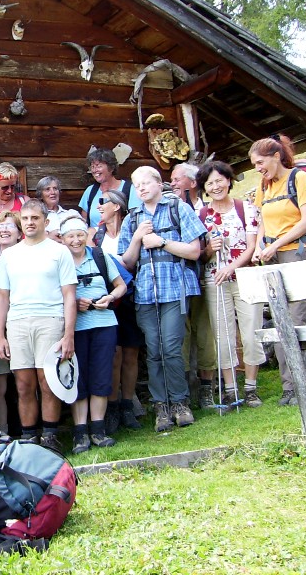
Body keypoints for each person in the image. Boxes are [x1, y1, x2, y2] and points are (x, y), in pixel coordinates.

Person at [119, 166, 206, 432]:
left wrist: (161, 242)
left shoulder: (179, 209)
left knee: (170, 348)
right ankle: (161, 407)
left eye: (146, 183)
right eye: (137, 185)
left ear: (159, 184)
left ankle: (180, 403)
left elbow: (194, 251)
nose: (142, 188)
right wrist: (137, 238)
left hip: (175, 289)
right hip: (146, 293)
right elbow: (127, 262)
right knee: (154, 351)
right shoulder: (132, 219)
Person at [0, 199, 77, 453]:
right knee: (23, 384)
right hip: (18, 322)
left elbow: (69, 295)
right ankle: (30, 437)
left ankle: (50, 437)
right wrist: (0, 335)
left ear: (45, 221)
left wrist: (69, 335)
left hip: (50, 320)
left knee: (48, 381)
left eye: (35, 218)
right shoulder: (9, 255)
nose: (30, 223)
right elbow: (3, 296)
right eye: (26, 218)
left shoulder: (59, 251)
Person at [249, 135, 306, 407]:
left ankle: (304, 385)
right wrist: (258, 247)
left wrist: (276, 243)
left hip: (297, 254)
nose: (257, 168)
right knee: (280, 322)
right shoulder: (263, 186)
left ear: (276, 156)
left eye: (260, 162)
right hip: (273, 257)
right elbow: (262, 219)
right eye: (254, 164)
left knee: (299, 319)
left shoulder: (298, 178)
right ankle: (289, 387)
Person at [197, 161, 265, 407]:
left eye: (219, 180)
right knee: (222, 334)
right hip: (215, 279)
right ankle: (229, 388)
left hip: (244, 277)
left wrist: (230, 268)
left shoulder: (246, 209)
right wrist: (208, 250)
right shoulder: (201, 215)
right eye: (210, 183)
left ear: (229, 180)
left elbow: (251, 247)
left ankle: (251, 387)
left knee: (250, 331)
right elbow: (200, 255)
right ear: (204, 188)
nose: (216, 186)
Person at [59, 216, 126, 453]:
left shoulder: (99, 256)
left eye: (79, 235)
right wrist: (73, 303)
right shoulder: (59, 260)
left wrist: (110, 297)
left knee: (101, 375)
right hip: (74, 328)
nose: (76, 240)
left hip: (104, 323)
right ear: (63, 239)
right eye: (70, 236)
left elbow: (121, 285)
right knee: (79, 378)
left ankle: (97, 430)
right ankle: (80, 433)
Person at [89, 190, 144, 431]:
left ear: (118, 206)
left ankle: (127, 404)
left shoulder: (131, 229)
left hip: (130, 295)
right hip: (108, 298)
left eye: (104, 202)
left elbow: (133, 261)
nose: (99, 206)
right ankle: (112, 407)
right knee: (114, 355)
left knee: (131, 354)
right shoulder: (97, 235)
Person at [171, 162, 218, 408]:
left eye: (177, 179)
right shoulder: (168, 209)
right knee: (182, 335)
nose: (173, 184)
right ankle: (185, 391)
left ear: (192, 182)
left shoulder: (206, 211)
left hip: (203, 278)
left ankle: (207, 390)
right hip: (178, 281)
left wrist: (207, 251)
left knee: (205, 332)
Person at [0, 211, 22, 433]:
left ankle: (32, 431)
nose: (3, 229)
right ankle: (2, 434)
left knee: (25, 384)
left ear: (20, 233)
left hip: (22, 325)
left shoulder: (28, 258)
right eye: (0, 226)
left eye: (10, 226)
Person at [78, 148, 141, 228]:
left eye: (98, 166)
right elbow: (84, 221)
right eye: (92, 167)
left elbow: (136, 219)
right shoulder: (90, 191)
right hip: (95, 238)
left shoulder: (129, 189)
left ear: (111, 168)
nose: (95, 170)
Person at [35, 176, 67, 241]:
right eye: (47, 189)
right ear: (41, 194)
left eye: (55, 188)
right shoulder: (36, 217)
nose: (53, 192)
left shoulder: (71, 213)